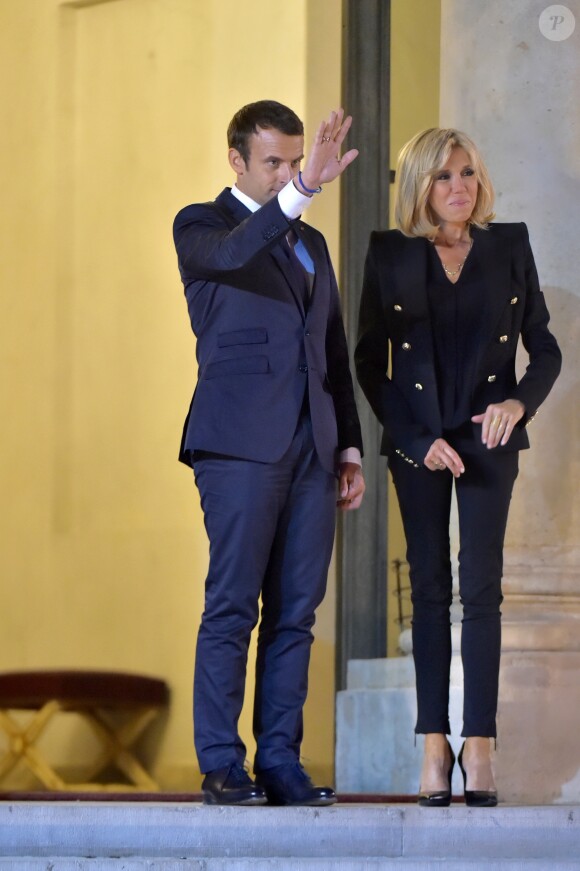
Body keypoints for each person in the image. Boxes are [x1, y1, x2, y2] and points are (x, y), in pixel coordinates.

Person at [355, 127, 561, 807]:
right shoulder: (389, 253)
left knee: (482, 590)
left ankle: (481, 743)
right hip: (419, 440)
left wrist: (518, 402)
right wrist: (414, 439)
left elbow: (545, 348)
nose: (460, 187)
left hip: (486, 439)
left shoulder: (508, 245)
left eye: (468, 173)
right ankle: (433, 745)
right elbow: (368, 361)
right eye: (444, 176)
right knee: (430, 591)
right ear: (420, 185)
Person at [173, 101, 365, 807]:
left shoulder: (312, 244)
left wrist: (349, 442)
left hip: (312, 447)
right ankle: (222, 761)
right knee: (233, 607)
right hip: (237, 446)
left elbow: (331, 351)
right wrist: (303, 188)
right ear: (237, 161)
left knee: (296, 612)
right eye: (275, 162)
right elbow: (236, 252)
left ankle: (280, 758)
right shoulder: (202, 225)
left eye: (295, 160)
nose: (289, 172)